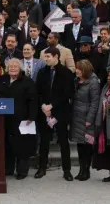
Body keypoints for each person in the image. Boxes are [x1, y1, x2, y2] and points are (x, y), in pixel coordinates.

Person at [35, 47, 74, 181]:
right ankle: (42, 167)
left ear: (56, 56)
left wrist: (52, 105)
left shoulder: (66, 73)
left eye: (48, 57)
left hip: (60, 112)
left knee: (63, 141)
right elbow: (38, 92)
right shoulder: (42, 72)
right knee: (44, 141)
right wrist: (43, 106)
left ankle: (67, 170)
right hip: (44, 112)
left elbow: (68, 93)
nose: (46, 59)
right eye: (45, 57)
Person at [0, 58, 38, 179]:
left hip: (22, 119)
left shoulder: (27, 82)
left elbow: (33, 100)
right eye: (10, 66)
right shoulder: (2, 80)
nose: (13, 68)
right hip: (5, 119)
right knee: (8, 145)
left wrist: (31, 117)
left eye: (15, 66)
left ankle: (22, 171)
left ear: (20, 68)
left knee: (22, 146)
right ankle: (8, 169)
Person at [70, 60, 100, 181]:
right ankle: (81, 169)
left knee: (87, 146)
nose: (76, 71)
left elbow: (94, 102)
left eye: (79, 69)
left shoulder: (93, 82)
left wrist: (89, 119)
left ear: (85, 70)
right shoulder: (77, 80)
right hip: (76, 117)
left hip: (87, 119)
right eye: (76, 68)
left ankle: (86, 171)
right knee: (80, 145)